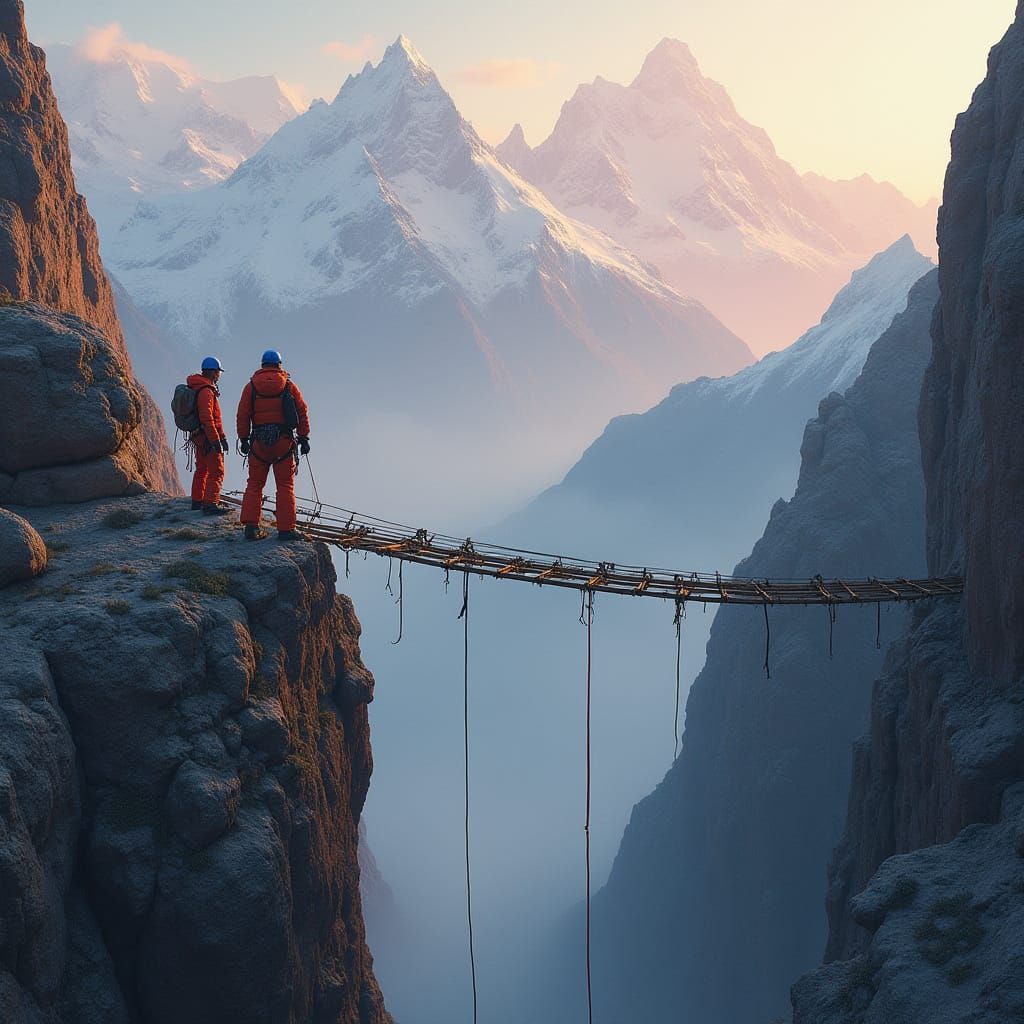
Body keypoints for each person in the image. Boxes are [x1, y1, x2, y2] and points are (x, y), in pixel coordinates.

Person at [236, 349, 311, 541]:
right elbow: (302, 412)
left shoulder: (251, 387)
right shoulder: (288, 385)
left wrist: (243, 439)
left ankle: (251, 527)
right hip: (283, 443)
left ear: (262, 365)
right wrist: (304, 438)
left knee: (255, 484)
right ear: (279, 365)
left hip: (258, 443)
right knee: (285, 486)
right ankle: (286, 530)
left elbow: (243, 414)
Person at [187, 356, 230, 514]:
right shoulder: (206, 391)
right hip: (207, 437)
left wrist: (222, 437)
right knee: (216, 471)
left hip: (199, 436)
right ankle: (210, 503)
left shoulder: (198, 387)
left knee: (202, 468)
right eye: (218, 372)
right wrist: (216, 440)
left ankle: (197, 502)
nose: (219, 375)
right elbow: (209, 419)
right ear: (213, 372)